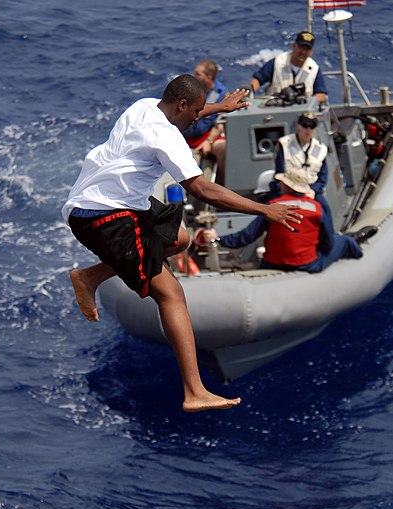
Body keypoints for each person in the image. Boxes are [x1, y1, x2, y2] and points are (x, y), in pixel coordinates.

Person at [62, 74, 303, 413]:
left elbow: (184, 117)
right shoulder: (166, 137)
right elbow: (205, 191)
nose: (196, 117)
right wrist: (264, 209)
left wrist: (220, 107)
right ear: (182, 105)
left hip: (114, 203)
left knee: (181, 238)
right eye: (197, 111)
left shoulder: (145, 106)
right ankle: (194, 391)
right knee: (171, 293)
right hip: (103, 219)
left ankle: (90, 276)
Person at [203, 169, 375, 274]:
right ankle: (358, 250)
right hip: (307, 264)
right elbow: (328, 243)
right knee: (342, 240)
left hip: (273, 263)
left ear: (287, 186)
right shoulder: (317, 207)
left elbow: (247, 236)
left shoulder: (272, 206)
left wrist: (218, 239)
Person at [250, 31, 328, 103]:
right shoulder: (278, 62)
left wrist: (307, 101)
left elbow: (321, 94)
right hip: (274, 109)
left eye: (307, 49)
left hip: (302, 112)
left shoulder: (314, 69)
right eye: (300, 47)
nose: (303, 52)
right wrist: (249, 92)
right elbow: (257, 79)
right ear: (294, 46)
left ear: (311, 52)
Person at [183, 60, 227, 184]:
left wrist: (209, 141)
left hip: (206, 135)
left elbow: (221, 122)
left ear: (208, 77)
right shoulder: (188, 89)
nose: (194, 76)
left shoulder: (221, 94)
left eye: (198, 74)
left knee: (222, 148)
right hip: (184, 135)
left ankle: (224, 186)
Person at [270, 111, 328, 201]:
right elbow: (279, 172)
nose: (308, 130)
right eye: (305, 125)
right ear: (298, 126)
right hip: (289, 189)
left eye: (312, 126)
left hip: (311, 191)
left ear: (315, 129)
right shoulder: (285, 144)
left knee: (324, 211)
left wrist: (313, 190)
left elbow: (322, 177)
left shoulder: (321, 149)